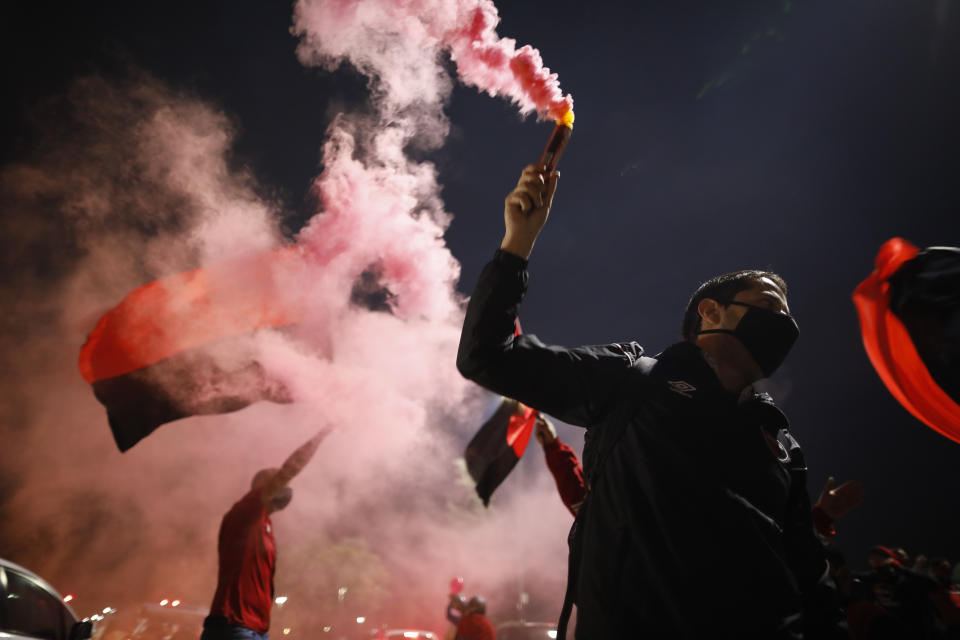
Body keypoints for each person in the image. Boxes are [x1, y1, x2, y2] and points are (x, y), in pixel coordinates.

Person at [456, 164, 848, 638]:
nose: (783, 321)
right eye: (768, 306)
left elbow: (808, 570)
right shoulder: (634, 379)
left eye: (787, 312)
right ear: (711, 311)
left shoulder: (780, 440)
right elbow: (487, 357)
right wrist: (517, 244)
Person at [200, 428, 332, 639]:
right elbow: (289, 470)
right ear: (264, 488)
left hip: (255, 629)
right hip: (233, 625)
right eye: (281, 481)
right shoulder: (244, 511)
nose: (287, 485)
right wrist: (320, 436)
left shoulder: (265, 524)